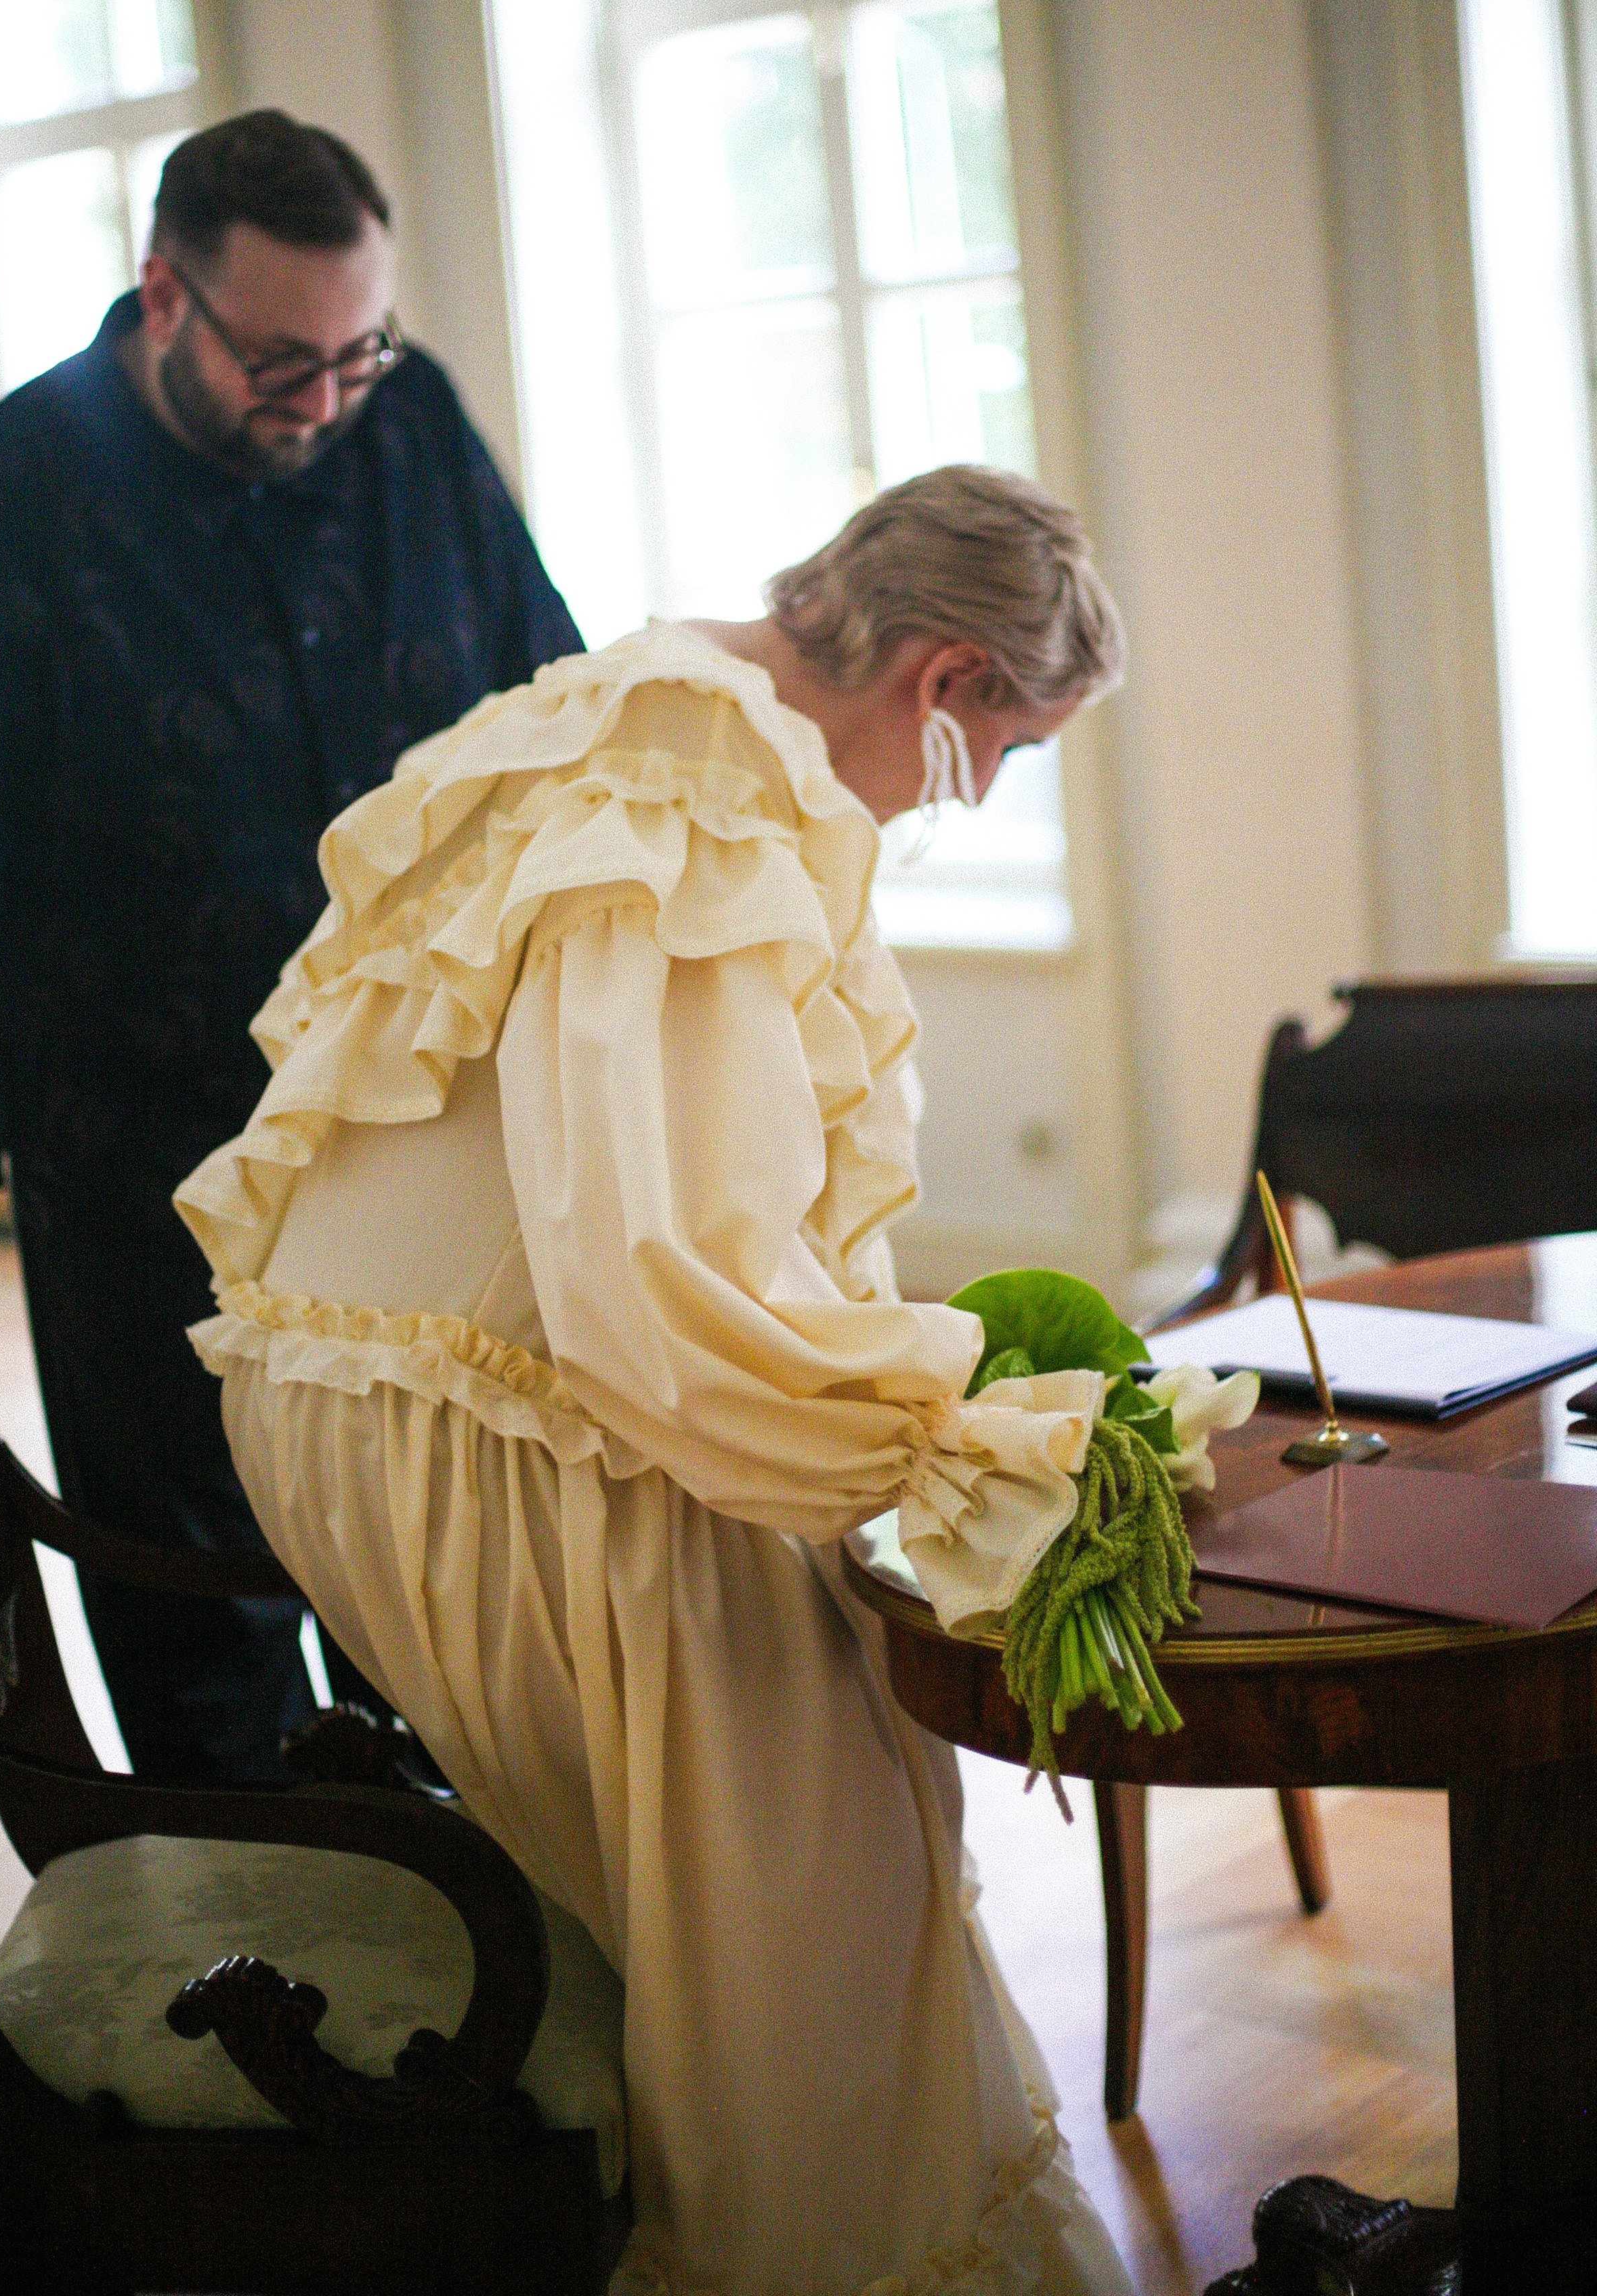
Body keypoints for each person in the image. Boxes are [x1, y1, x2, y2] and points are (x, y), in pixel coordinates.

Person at [175, 465, 1134, 2295]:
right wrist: (929, 1425)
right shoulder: (699, 801)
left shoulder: (637, 696)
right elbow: (661, 1274)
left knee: (809, 1787)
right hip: (486, 1429)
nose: (977, 799)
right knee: (824, 1875)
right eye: (1010, 752)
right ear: (945, 680)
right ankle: (811, 2242)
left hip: (381, 1393)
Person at [0, 108, 582, 1779]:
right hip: (147, 1179)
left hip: (422, 1155)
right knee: (207, 1629)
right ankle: (244, 1998)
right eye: (281, 362)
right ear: (162, 296)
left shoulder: (408, 428)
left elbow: (550, 732)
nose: (326, 402)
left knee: (447, 1609)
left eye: (356, 351)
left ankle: (483, 1997)